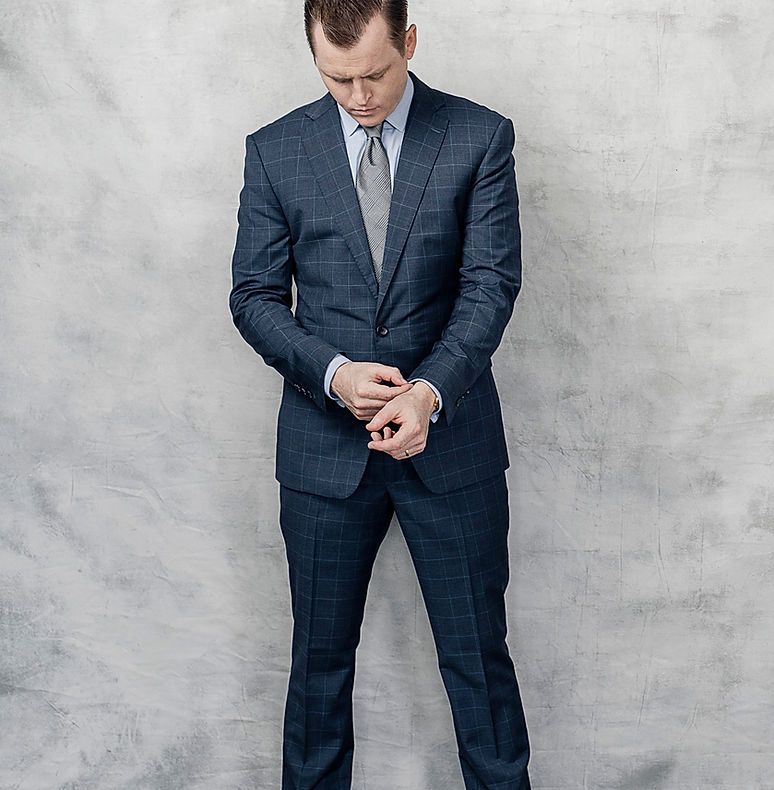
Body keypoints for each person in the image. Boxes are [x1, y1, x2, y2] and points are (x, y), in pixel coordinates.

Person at [229, 1, 531, 787]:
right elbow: (255, 295)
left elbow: (491, 283)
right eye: (337, 78)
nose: (359, 95)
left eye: (375, 73)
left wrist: (430, 392)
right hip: (324, 453)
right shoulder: (276, 149)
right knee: (318, 670)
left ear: (411, 42)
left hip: (452, 444)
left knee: (479, 666)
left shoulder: (478, 137)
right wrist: (333, 374)